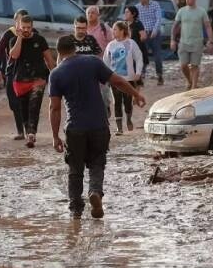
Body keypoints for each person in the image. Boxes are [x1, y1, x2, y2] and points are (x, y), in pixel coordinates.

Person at [49, 36, 145, 219]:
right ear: (75, 48)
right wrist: (135, 94)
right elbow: (117, 81)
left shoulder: (56, 73)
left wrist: (55, 136)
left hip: (75, 128)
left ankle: (76, 210)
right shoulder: (92, 62)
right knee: (97, 163)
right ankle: (95, 192)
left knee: (75, 169)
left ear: (59, 52)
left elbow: (54, 107)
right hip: (99, 126)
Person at [8, 15, 55, 148]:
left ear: (32, 26)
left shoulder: (40, 40)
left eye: (28, 27)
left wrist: (55, 75)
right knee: (24, 109)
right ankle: (28, 131)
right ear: (19, 27)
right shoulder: (14, 40)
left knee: (34, 106)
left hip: (38, 78)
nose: (26, 30)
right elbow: (14, 55)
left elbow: (49, 59)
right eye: (24, 27)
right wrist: (20, 38)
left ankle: (31, 134)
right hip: (20, 79)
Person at [103, 21, 144, 134]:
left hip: (129, 78)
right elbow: (106, 62)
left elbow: (139, 58)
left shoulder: (131, 43)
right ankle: (119, 127)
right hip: (115, 78)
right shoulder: (110, 45)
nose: (113, 31)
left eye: (115, 29)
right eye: (113, 29)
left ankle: (129, 119)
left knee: (127, 101)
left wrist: (138, 72)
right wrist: (105, 76)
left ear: (122, 31)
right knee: (117, 102)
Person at [0, 9, 30, 141]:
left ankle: (27, 130)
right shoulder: (9, 34)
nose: (19, 24)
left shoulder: (33, 34)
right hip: (12, 72)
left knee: (26, 102)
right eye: (18, 21)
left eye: (22, 21)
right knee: (14, 104)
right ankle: (20, 130)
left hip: (28, 73)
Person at [171, 0, 213, 90]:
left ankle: (194, 87)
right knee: (183, 65)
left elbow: (207, 26)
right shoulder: (181, 11)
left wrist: (210, 41)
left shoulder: (201, 11)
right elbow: (175, 26)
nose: (187, 0)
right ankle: (189, 81)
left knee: (194, 65)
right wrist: (172, 40)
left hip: (197, 42)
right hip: (183, 42)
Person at [136, 0, 164, 85]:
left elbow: (158, 19)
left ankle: (159, 75)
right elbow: (136, 21)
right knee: (142, 55)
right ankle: (141, 76)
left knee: (157, 55)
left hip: (154, 33)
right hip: (143, 33)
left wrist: (155, 30)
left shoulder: (155, 5)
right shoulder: (137, 7)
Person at [123, 5, 147, 74]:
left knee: (137, 74)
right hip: (126, 52)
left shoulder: (138, 23)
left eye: (127, 12)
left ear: (133, 14)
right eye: (125, 12)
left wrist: (140, 39)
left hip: (137, 51)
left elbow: (143, 36)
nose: (125, 14)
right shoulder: (123, 24)